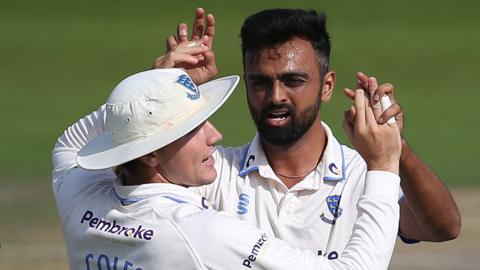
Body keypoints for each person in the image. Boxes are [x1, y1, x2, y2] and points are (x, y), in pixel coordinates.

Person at [158, 7, 460, 257]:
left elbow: (443, 228)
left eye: (293, 80)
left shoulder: (364, 174)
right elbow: (125, 179)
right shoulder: (213, 172)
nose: (276, 96)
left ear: (326, 86)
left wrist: (397, 150)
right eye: (260, 83)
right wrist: (165, 89)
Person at [52, 66, 402, 269]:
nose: (215, 136)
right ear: (149, 155)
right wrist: (383, 165)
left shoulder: (79, 195)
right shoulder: (202, 234)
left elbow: (69, 144)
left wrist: (154, 94)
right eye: (192, 129)